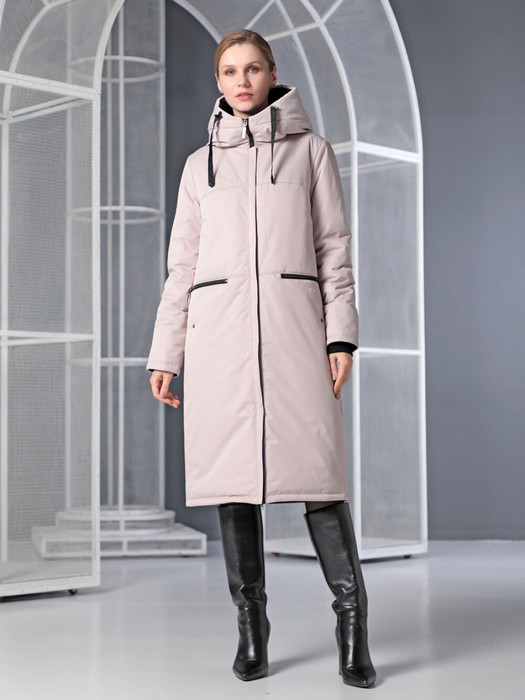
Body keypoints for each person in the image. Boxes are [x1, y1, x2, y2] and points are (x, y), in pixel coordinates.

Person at [147, 29, 376, 689]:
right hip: (217, 340)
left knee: (320, 481)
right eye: (229, 71)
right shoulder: (199, 167)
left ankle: (352, 629)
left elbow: (333, 249)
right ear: (218, 81)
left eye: (252, 69)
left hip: (294, 334)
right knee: (232, 483)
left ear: (272, 73)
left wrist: (340, 337)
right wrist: (167, 352)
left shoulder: (312, 153)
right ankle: (252, 629)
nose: (241, 81)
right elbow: (182, 267)